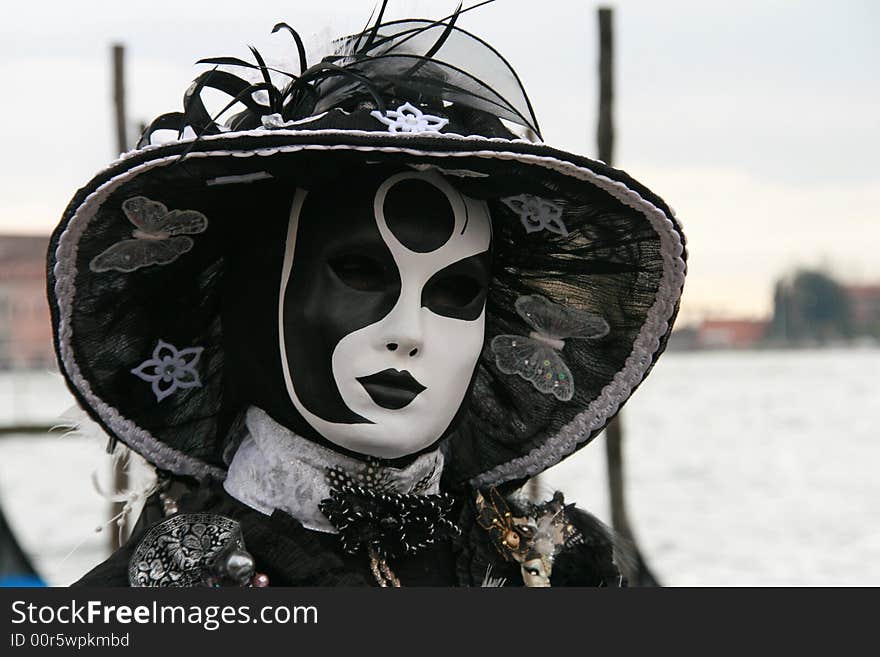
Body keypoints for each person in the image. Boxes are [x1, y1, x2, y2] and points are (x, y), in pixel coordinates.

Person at [48, 6, 686, 587]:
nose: (409, 331)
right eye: (359, 271)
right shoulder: (161, 604)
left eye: (457, 291)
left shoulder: (559, 574)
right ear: (253, 291)